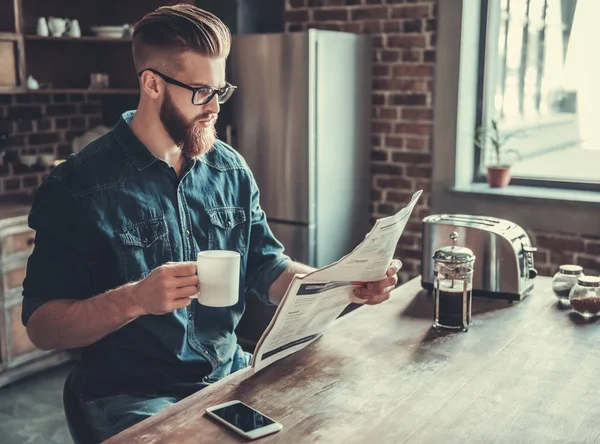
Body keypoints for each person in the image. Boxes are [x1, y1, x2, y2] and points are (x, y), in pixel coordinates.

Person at [21, 4, 402, 442]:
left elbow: (266, 267)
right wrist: (135, 299)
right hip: (130, 394)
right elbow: (43, 326)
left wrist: (340, 283)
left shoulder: (229, 169)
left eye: (221, 90)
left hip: (228, 372)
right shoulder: (77, 185)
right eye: (202, 92)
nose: (215, 107)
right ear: (152, 84)